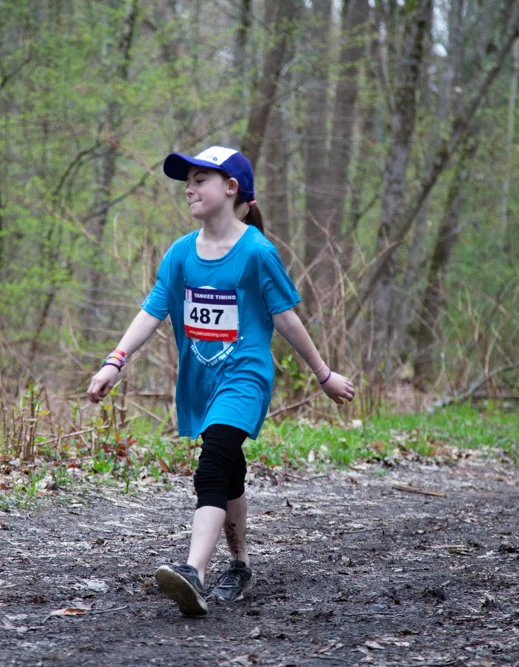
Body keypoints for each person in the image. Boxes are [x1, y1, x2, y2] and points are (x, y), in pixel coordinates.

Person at [87, 146, 355, 616]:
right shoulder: (180, 254)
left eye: (200, 180)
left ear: (231, 188)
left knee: (211, 466)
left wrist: (323, 374)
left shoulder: (256, 252)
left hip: (245, 377)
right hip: (201, 381)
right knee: (228, 469)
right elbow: (152, 311)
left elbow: (286, 319)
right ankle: (240, 564)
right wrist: (115, 360)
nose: (189, 189)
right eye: (187, 181)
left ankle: (193, 571)